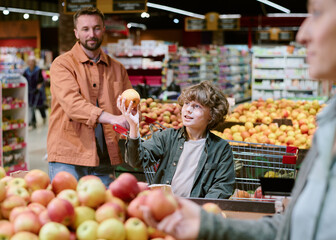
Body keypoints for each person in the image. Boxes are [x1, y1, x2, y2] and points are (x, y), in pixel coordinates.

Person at [141, 0, 336, 239]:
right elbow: (288, 228)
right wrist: (208, 226)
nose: (301, 35)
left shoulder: (220, 148)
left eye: (317, 13)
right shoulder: (329, 126)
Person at [47, 7, 132, 187]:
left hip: (105, 157)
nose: (91, 34)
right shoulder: (62, 64)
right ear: (76, 33)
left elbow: (129, 106)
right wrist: (113, 118)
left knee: (105, 212)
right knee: (66, 211)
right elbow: (73, 105)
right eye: (85, 29)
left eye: (96, 28)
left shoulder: (117, 68)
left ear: (104, 30)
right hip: (68, 156)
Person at [118, 80, 235, 199]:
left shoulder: (221, 149)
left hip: (194, 212)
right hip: (164, 207)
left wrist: (199, 210)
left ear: (212, 114)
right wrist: (134, 126)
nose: (188, 109)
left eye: (196, 106)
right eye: (187, 103)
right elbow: (136, 160)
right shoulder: (167, 137)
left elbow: (222, 187)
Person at [23, 57, 47, 129]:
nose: (31, 63)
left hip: (38, 91)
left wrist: (37, 89)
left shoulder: (38, 70)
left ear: (34, 62)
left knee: (40, 106)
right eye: (29, 61)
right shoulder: (26, 71)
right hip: (29, 91)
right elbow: (24, 80)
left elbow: (40, 81)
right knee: (31, 107)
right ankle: (33, 122)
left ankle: (44, 117)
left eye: (32, 61)